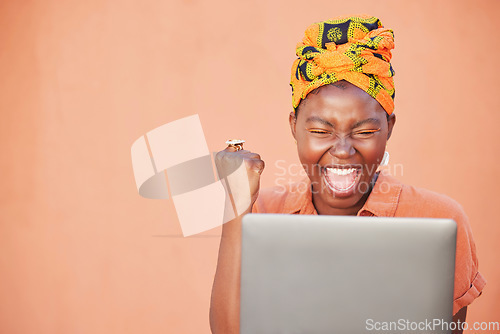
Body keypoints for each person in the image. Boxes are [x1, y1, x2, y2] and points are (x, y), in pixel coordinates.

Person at [209, 15, 485, 334]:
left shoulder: (440, 218)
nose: (342, 150)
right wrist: (235, 204)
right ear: (293, 127)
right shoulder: (263, 212)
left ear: (388, 128)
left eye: (365, 130)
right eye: (319, 130)